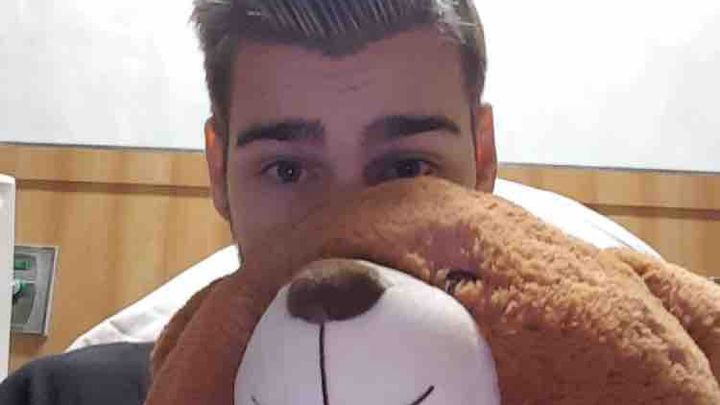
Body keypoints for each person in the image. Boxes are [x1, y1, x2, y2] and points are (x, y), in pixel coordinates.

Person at [0, 0, 619, 403]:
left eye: (406, 168)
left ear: (482, 160)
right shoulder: (57, 400)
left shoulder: (606, 387)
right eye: (289, 170)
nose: (347, 233)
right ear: (219, 170)